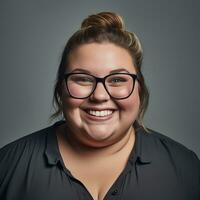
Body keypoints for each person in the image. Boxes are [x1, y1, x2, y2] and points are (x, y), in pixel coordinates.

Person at [0, 12, 199, 200]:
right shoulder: (6, 166)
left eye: (117, 80)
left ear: (140, 88)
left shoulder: (186, 168)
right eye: (83, 79)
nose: (99, 95)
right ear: (61, 88)